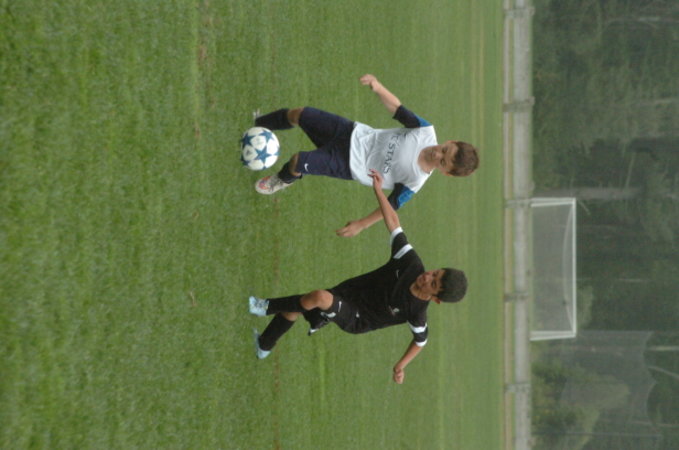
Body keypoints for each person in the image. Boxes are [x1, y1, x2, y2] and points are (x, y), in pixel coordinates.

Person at [248, 169, 468, 384]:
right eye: (435, 272)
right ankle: (264, 346)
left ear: (436, 298)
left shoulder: (416, 312)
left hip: (357, 319)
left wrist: (400, 366)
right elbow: (394, 223)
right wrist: (378, 190)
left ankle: (264, 306)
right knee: (298, 305)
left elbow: (421, 341)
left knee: (318, 297)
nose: (427, 276)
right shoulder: (411, 264)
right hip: (347, 292)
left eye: (433, 283)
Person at [252, 74, 479, 238]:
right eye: (444, 149)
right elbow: (398, 109)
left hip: (348, 164)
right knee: (300, 114)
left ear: (446, 172)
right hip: (350, 132)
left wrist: (362, 224)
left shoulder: (415, 180)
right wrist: (378, 87)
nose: (437, 153)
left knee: (297, 161)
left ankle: (282, 180)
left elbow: (390, 206)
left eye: (442, 161)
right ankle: (256, 127)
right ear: (451, 141)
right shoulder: (425, 131)